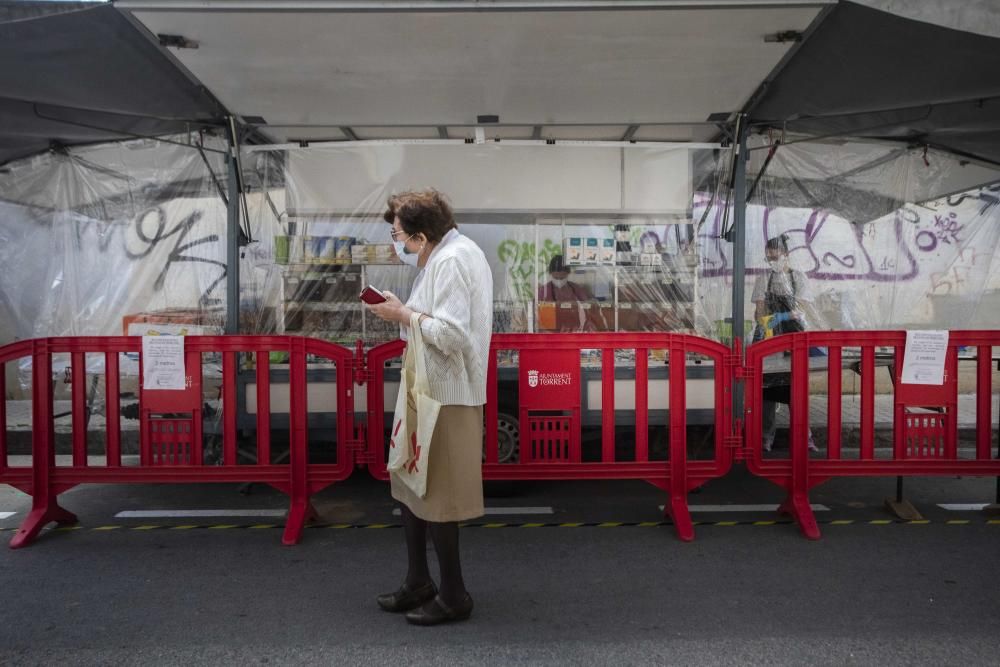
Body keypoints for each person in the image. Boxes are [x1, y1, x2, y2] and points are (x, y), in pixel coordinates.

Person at [366, 189, 493, 626]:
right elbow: (429, 321)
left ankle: (455, 594)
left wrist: (403, 316)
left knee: (437, 495)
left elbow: (453, 335)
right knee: (411, 484)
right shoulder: (444, 254)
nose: (395, 240)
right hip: (430, 389)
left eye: (399, 233)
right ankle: (419, 580)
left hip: (447, 394)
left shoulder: (453, 260)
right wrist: (402, 311)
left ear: (420, 235)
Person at [751, 235, 818, 452]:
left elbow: (804, 309)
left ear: (786, 255)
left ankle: (804, 438)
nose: (772, 261)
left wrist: (783, 317)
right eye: (768, 257)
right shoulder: (763, 280)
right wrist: (763, 321)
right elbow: (760, 309)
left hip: (795, 341)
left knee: (796, 391)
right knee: (768, 392)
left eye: (776, 256)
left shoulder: (798, 278)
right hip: (769, 341)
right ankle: (764, 438)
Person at [538, 254, 603, 331]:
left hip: (574, 331)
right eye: (556, 278)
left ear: (568, 274)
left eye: (562, 278)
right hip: (551, 332)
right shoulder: (543, 291)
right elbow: (536, 313)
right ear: (550, 274)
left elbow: (589, 305)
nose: (559, 280)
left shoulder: (576, 289)